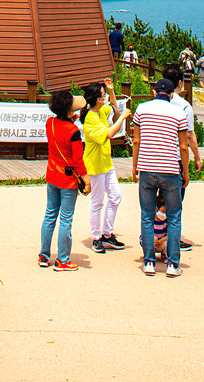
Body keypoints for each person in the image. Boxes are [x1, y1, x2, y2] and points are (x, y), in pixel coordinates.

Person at [131, 77, 189, 278]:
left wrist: (135, 167)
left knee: (147, 215)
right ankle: (173, 264)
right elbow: (183, 146)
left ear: (154, 93)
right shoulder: (179, 113)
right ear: (171, 95)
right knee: (174, 216)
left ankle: (149, 262)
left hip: (146, 168)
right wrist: (186, 171)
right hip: (170, 169)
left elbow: (136, 140)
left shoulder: (141, 109)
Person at [40, 89, 90, 271]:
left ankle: (44, 255)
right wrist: (86, 180)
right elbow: (78, 161)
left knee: (50, 215)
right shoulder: (73, 131)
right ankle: (63, 259)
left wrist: (69, 120)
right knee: (66, 219)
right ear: (69, 110)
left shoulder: (50, 123)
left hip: (52, 176)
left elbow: (60, 133)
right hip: (68, 180)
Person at [81, 78, 126, 254]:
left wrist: (112, 90)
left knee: (116, 197)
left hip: (107, 163)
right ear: (97, 99)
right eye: (104, 94)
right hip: (95, 165)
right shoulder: (90, 119)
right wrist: (122, 118)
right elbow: (109, 134)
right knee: (97, 202)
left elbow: (113, 108)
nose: (105, 96)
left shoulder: (101, 110)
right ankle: (96, 238)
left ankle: (107, 234)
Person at [161, 66, 202, 251]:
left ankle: (156, 235)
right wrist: (197, 157)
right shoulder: (184, 106)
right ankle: (172, 240)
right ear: (180, 83)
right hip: (174, 158)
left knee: (157, 202)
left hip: (153, 157)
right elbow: (189, 136)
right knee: (174, 202)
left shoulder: (152, 103)